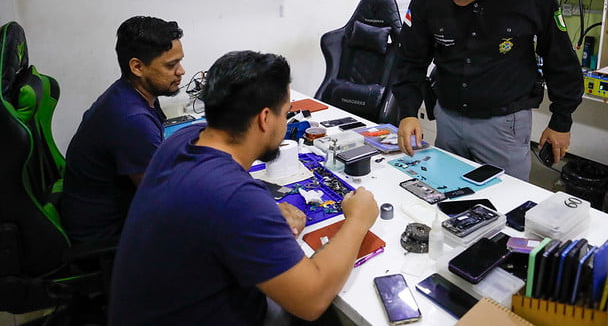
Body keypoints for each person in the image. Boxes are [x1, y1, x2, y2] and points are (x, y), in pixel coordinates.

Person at [109, 51, 379, 325]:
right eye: (285, 114)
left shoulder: (181, 140)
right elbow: (312, 300)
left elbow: (208, 207)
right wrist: (358, 219)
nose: (286, 124)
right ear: (265, 118)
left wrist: (264, 213)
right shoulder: (235, 198)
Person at [392, 0, 583, 181]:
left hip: (504, 124)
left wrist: (561, 121)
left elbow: (560, 59)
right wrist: (408, 112)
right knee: (446, 191)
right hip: (448, 116)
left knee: (507, 202)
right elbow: (410, 55)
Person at [61, 16, 185, 243]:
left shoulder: (129, 93)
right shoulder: (132, 120)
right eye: (171, 65)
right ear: (137, 67)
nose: (181, 71)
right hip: (107, 237)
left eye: (179, 62)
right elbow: (163, 200)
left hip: (111, 213)